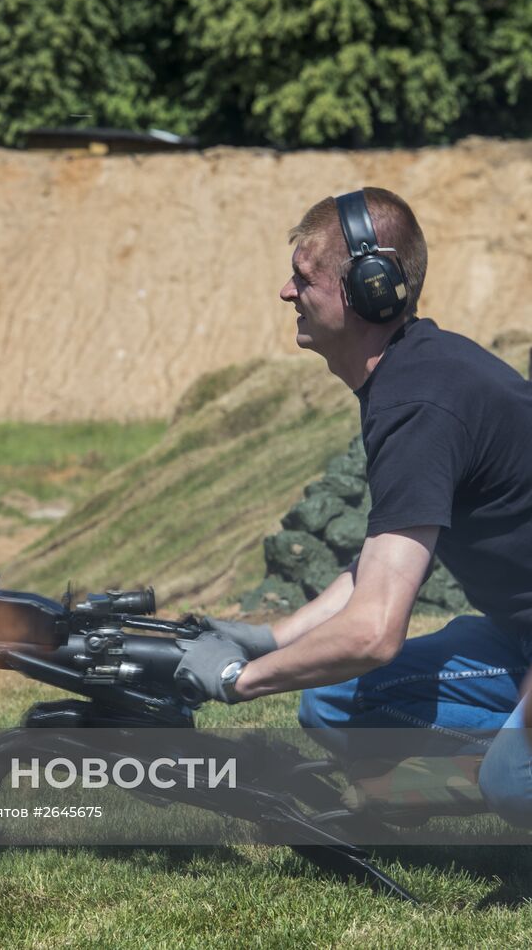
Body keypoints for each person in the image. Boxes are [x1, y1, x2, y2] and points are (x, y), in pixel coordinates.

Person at [172, 187, 532, 825]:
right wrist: (267, 639)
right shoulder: (411, 375)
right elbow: (383, 565)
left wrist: (237, 681)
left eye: (303, 276)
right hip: (519, 636)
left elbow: (373, 632)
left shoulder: (420, 404)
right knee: (332, 705)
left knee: (514, 781)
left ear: (370, 288)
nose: (286, 292)